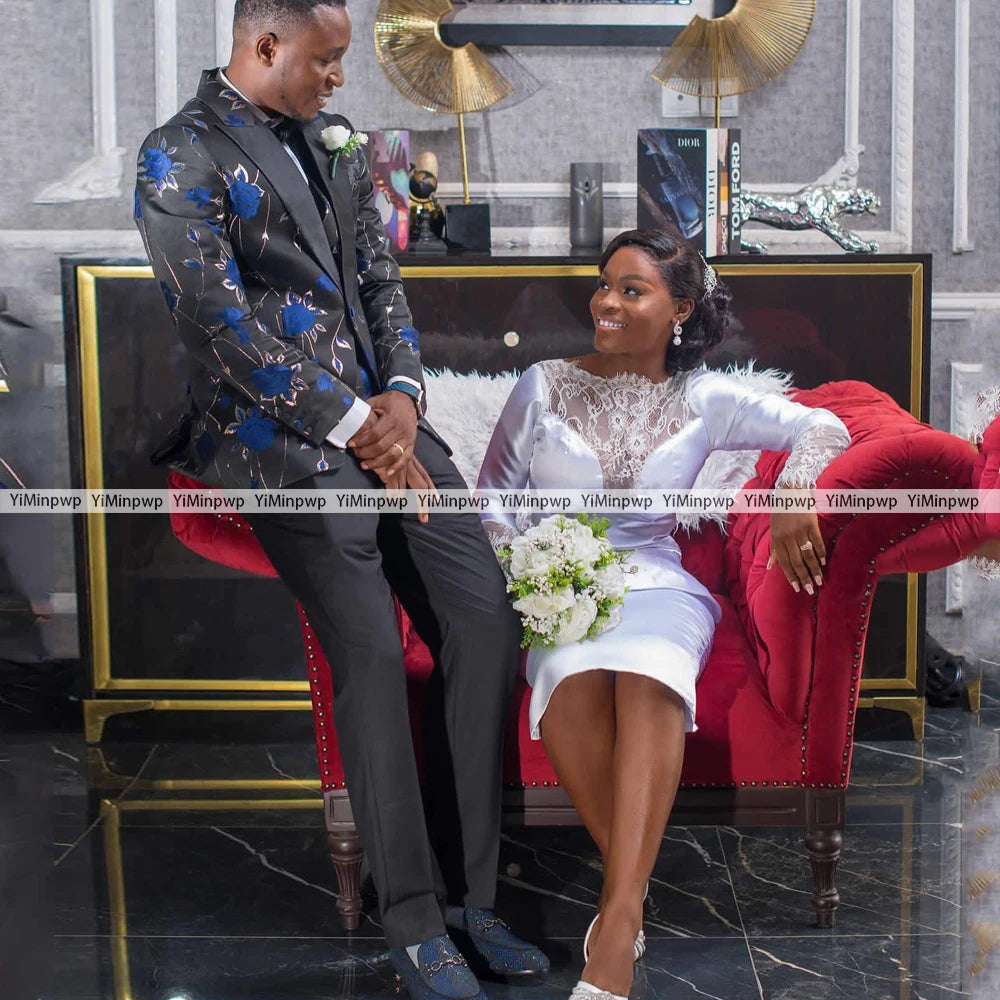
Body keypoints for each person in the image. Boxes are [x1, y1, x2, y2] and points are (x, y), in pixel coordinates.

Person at [134, 2, 547, 998]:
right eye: (323, 62)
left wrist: (403, 395)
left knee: (483, 618)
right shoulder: (173, 155)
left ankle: (471, 899)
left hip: (391, 423)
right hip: (281, 443)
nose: (336, 83)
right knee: (366, 646)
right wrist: (357, 422)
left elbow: (381, 281)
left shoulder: (338, 145)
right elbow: (219, 330)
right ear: (265, 45)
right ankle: (413, 922)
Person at [477, 226, 852, 1000]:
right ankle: (632, 900)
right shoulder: (544, 383)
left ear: (679, 309)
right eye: (604, 284)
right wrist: (525, 566)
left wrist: (792, 491)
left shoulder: (705, 397)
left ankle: (615, 931)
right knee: (572, 680)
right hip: (559, 584)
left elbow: (821, 424)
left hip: (657, 584)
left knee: (649, 680)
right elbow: (491, 497)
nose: (606, 303)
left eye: (631, 289)